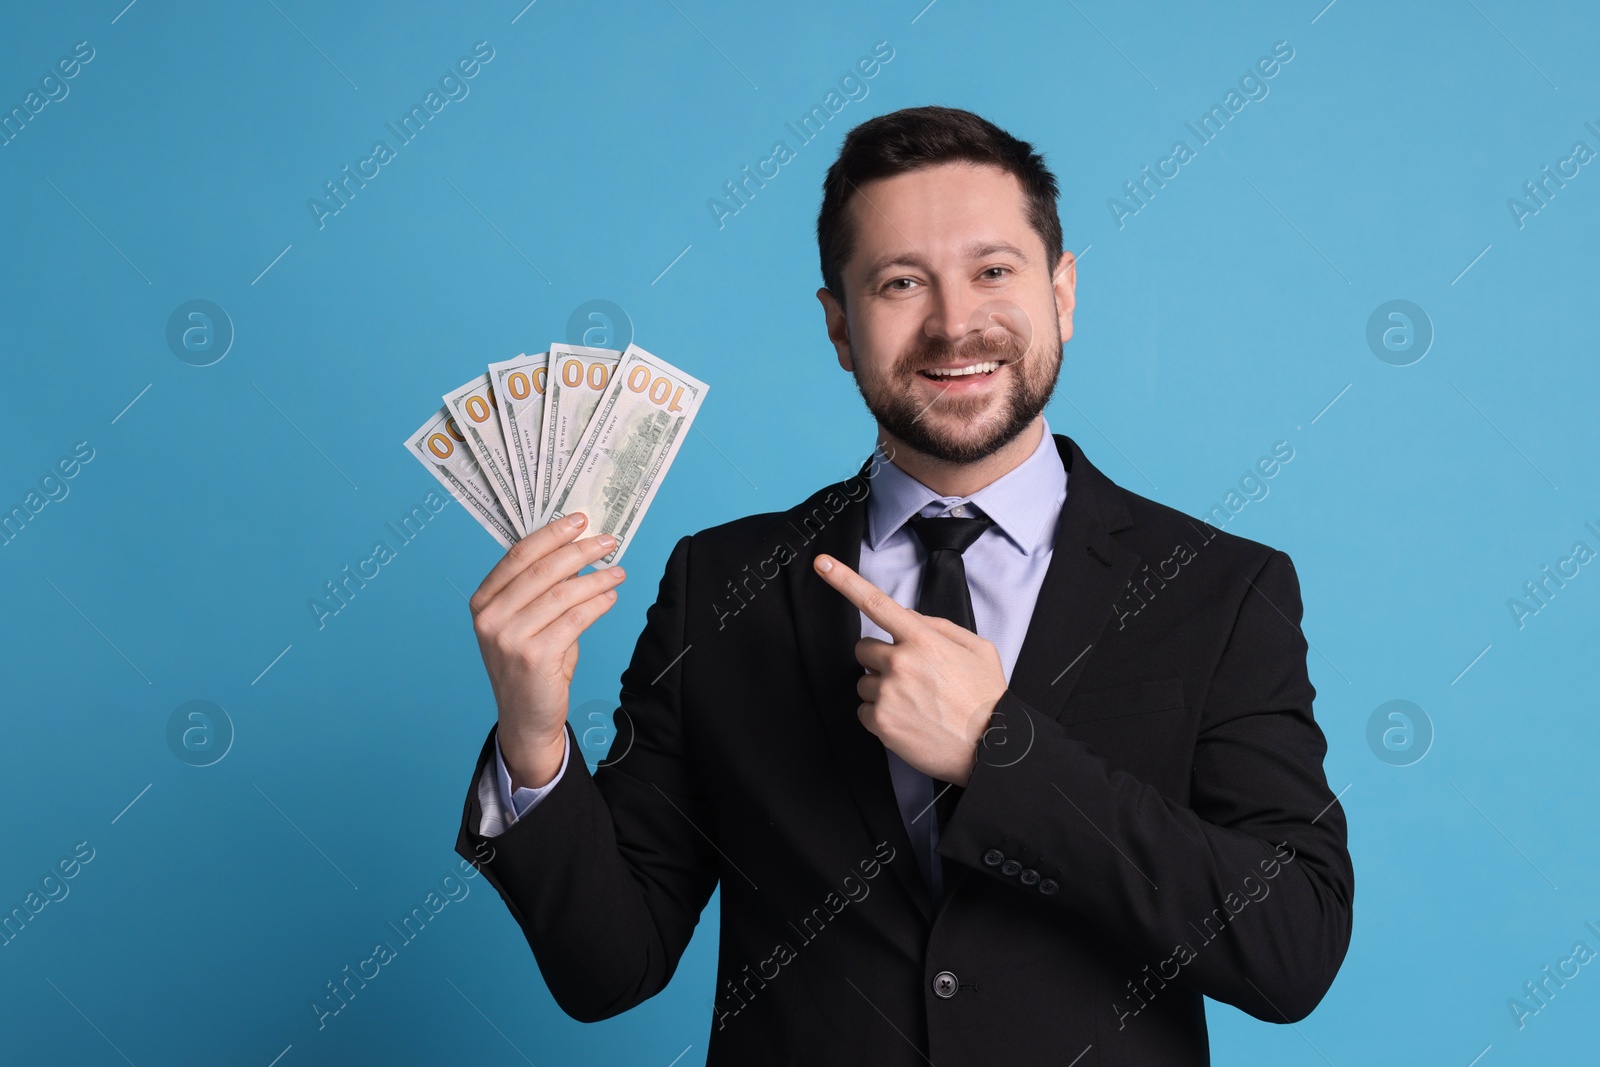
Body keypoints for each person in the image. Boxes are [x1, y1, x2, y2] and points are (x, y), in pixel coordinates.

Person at [454, 105, 1353, 1066]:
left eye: (994, 271)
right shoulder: (719, 584)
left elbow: (1288, 946)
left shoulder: (1218, 589)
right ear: (840, 325)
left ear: (1064, 292)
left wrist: (999, 751)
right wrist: (535, 743)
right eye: (900, 283)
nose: (955, 322)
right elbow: (609, 966)